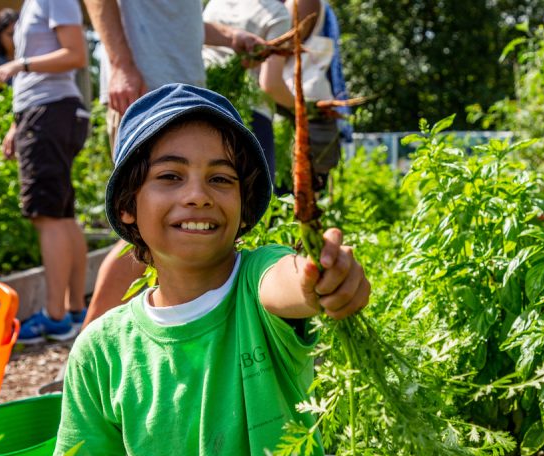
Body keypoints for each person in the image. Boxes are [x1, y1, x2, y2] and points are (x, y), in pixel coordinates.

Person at [53, 84, 370, 456]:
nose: (199, 195)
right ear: (128, 205)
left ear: (243, 203)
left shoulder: (259, 280)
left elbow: (290, 282)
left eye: (221, 179)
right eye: (170, 176)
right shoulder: (99, 351)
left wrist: (323, 276)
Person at [79, 0, 267, 330]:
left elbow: (181, 20)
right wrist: (121, 64)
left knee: (174, 233)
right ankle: (86, 347)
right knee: (143, 229)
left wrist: (230, 36)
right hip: (145, 96)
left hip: (191, 97)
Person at [0, 0, 90, 343]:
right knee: (62, 214)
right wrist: (18, 124)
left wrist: (18, 65)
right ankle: (74, 310)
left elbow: (75, 55)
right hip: (45, 113)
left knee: (46, 216)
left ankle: (55, 317)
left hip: (49, 112)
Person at [202, 0, 296, 177]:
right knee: (252, 196)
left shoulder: (216, 3)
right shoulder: (278, 14)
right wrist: (299, 108)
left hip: (204, 107)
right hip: (251, 116)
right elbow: (271, 85)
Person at [278, 0, 351, 194]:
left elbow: (276, 49)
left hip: (305, 114)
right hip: (291, 109)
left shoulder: (302, 2)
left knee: (299, 196)